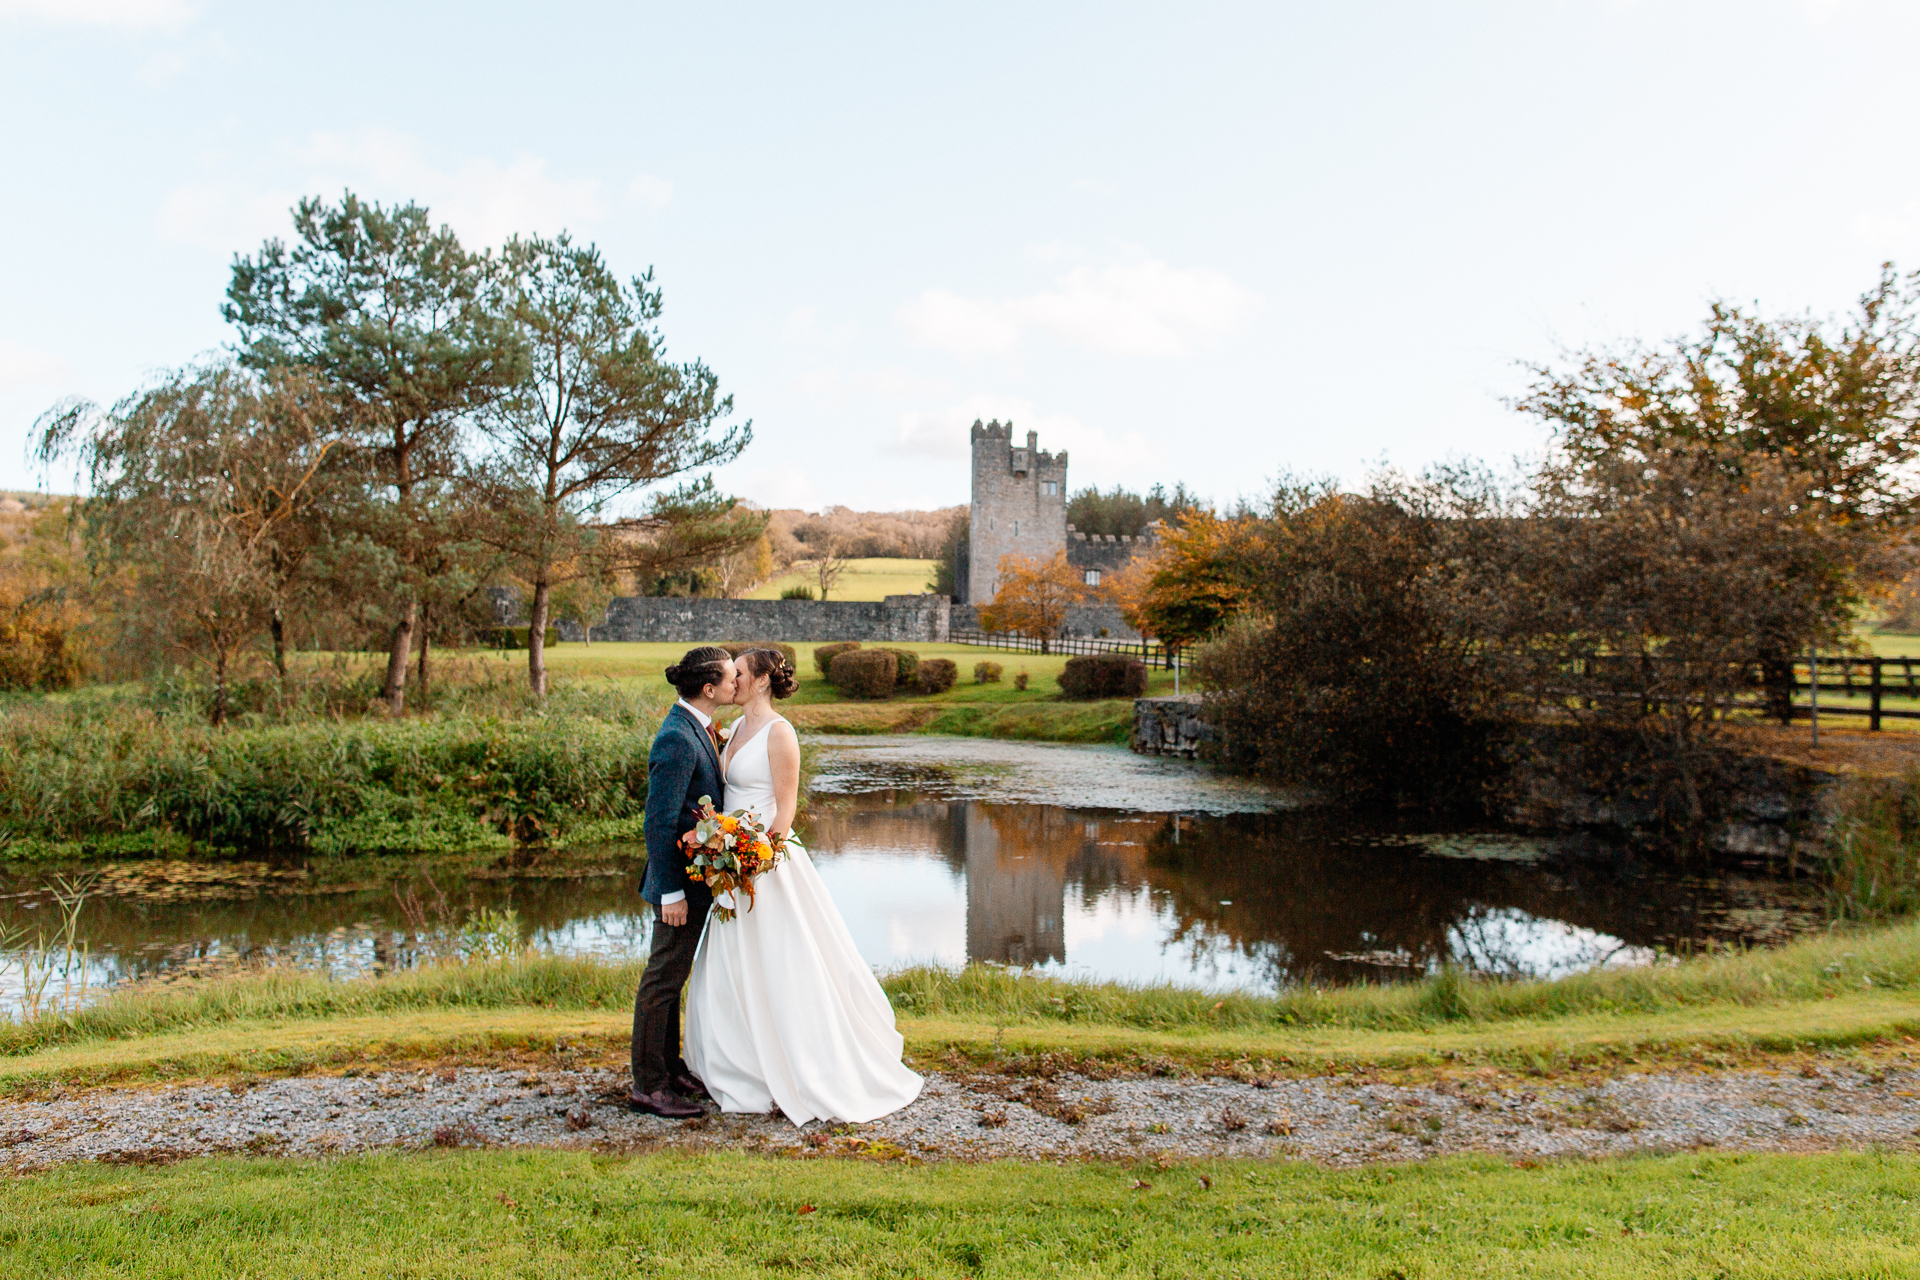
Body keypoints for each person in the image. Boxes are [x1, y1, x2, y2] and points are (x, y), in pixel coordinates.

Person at [683, 648, 923, 1125]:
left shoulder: (780, 733)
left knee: (783, 962)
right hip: (733, 865)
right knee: (733, 965)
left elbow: (786, 809)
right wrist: (723, 851)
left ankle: (802, 1066)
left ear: (763, 681)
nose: (733, 679)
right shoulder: (730, 732)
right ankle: (735, 1064)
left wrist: (757, 856)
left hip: (769, 865)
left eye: (741, 673)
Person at [629, 645, 736, 1119]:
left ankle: (669, 1069)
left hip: (691, 882)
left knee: (673, 978)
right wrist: (671, 892)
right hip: (677, 886)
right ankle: (649, 1086)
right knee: (661, 980)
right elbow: (659, 822)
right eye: (731, 677)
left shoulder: (699, 726)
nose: (737, 682)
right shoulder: (676, 737)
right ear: (709, 688)